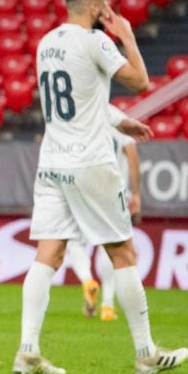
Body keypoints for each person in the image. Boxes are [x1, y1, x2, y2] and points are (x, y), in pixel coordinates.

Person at [15, 0, 188, 374]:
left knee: (49, 253)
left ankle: (27, 350)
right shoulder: (97, 41)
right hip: (90, 162)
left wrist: (117, 120)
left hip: (52, 161)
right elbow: (141, 81)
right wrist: (126, 35)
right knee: (122, 253)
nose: (110, 14)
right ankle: (146, 352)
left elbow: (77, 101)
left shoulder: (47, 44)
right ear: (96, 9)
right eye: (107, 7)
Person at [63, 123, 141, 321]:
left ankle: (87, 280)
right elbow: (132, 158)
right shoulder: (119, 120)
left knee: (74, 241)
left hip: (84, 187)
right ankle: (107, 306)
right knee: (112, 244)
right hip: (113, 191)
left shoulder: (83, 121)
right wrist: (136, 193)